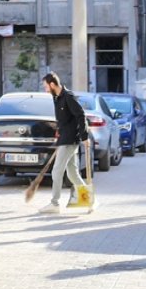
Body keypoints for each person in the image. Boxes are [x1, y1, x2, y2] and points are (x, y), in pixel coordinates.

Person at [40, 72, 90, 214]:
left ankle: (55, 203)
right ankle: (89, 199)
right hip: (65, 138)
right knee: (73, 173)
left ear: (52, 84)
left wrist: (85, 137)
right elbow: (65, 119)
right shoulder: (57, 98)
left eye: (45, 87)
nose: (45, 89)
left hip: (69, 140)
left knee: (57, 171)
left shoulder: (68, 97)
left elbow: (81, 115)